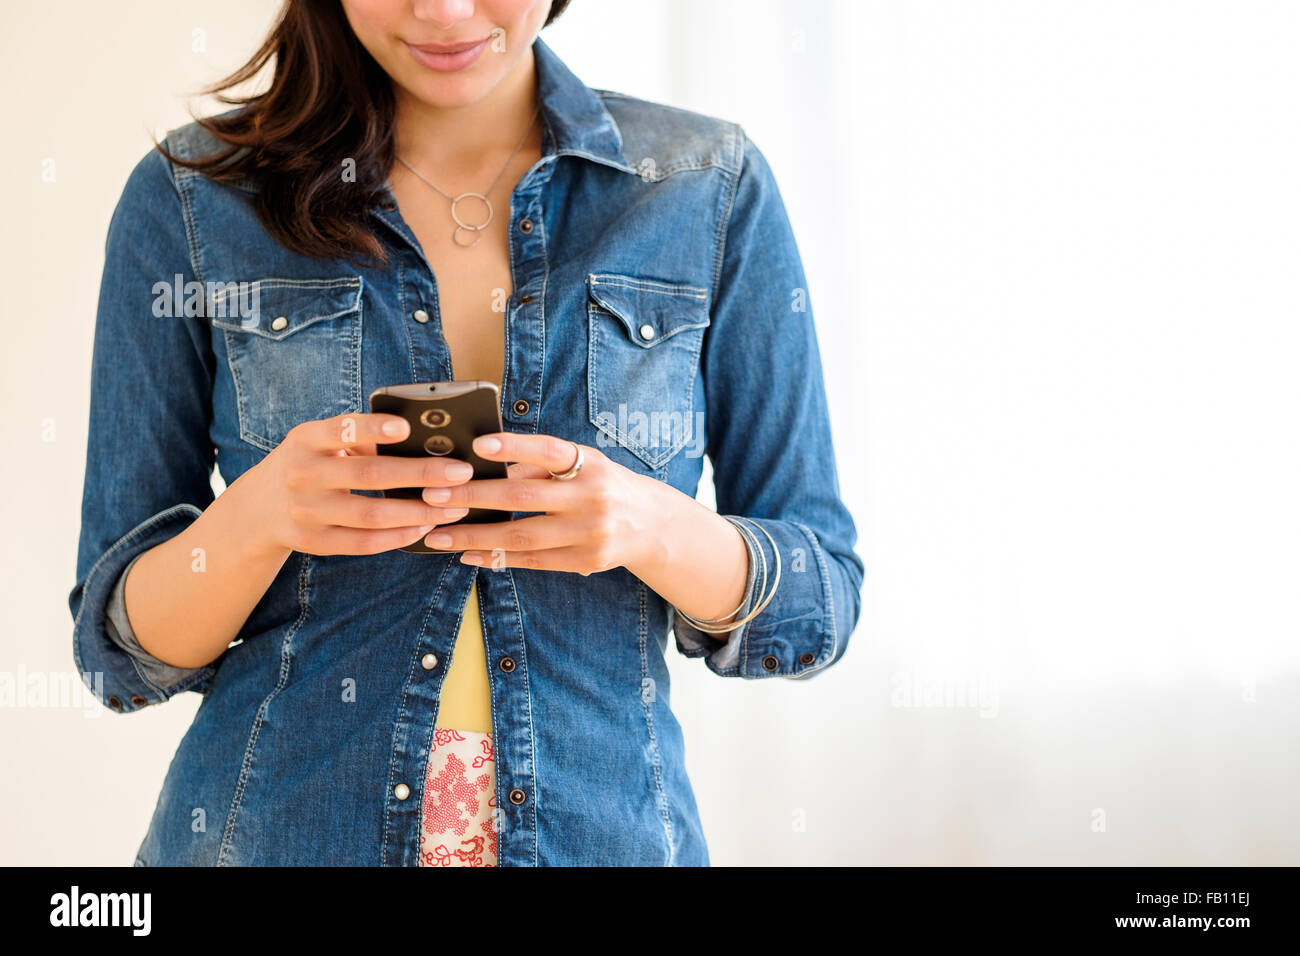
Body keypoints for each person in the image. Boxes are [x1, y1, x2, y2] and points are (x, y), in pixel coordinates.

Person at [69, 0, 863, 866]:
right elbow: (119, 656)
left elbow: (818, 601)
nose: (444, 11)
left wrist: (650, 527)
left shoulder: (705, 187)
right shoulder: (194, 197)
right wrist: (260, 516)